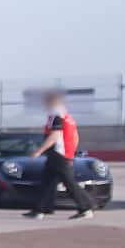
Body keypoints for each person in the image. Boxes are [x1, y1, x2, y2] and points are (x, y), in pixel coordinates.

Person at [25, 91, 95, 220]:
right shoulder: (67, 116)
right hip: (61, 153)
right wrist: (71, 153)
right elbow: (75, 137)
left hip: (58, 153)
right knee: (47, 181)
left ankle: (86, 207)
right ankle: (40, 209)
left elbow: (54, 135)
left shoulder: (56, 115)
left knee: (69, 182)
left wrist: (39, 151)